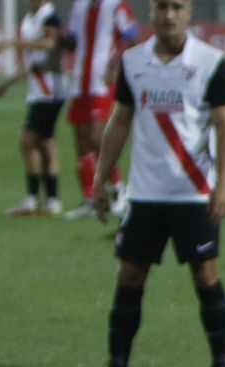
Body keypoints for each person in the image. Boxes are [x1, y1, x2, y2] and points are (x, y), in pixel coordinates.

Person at [73, 0, 225, 367]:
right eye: (161, 6)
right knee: (128, 277)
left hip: (193, 192)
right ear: (152, 12)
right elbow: (120, 120)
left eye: (176, 6)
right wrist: (98, 181)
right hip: (145, 194)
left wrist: (224, 185)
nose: (168, 14)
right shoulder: (133, 62)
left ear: (189, 13)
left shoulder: (212, 62)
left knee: (206, 276)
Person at [59, 0, 137, 218]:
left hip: (101, 79)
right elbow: (73, 40)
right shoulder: (79, 5)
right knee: (81, 140)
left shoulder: (116, 4)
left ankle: (119, 189)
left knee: (95, 136)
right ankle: (89, 199)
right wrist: (59, 37)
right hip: (79, 79)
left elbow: (130, 37)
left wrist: (117, 67)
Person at [0, 0, 68, 217]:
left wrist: (11, 43)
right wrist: (7, 84)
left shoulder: (49, 16)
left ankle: (36, 199)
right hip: (39, 92)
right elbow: (33, 63)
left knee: (27, 141)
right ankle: (48, 201)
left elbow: (50, 44)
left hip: (50, 91)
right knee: (43, 143)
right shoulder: (30, 19)